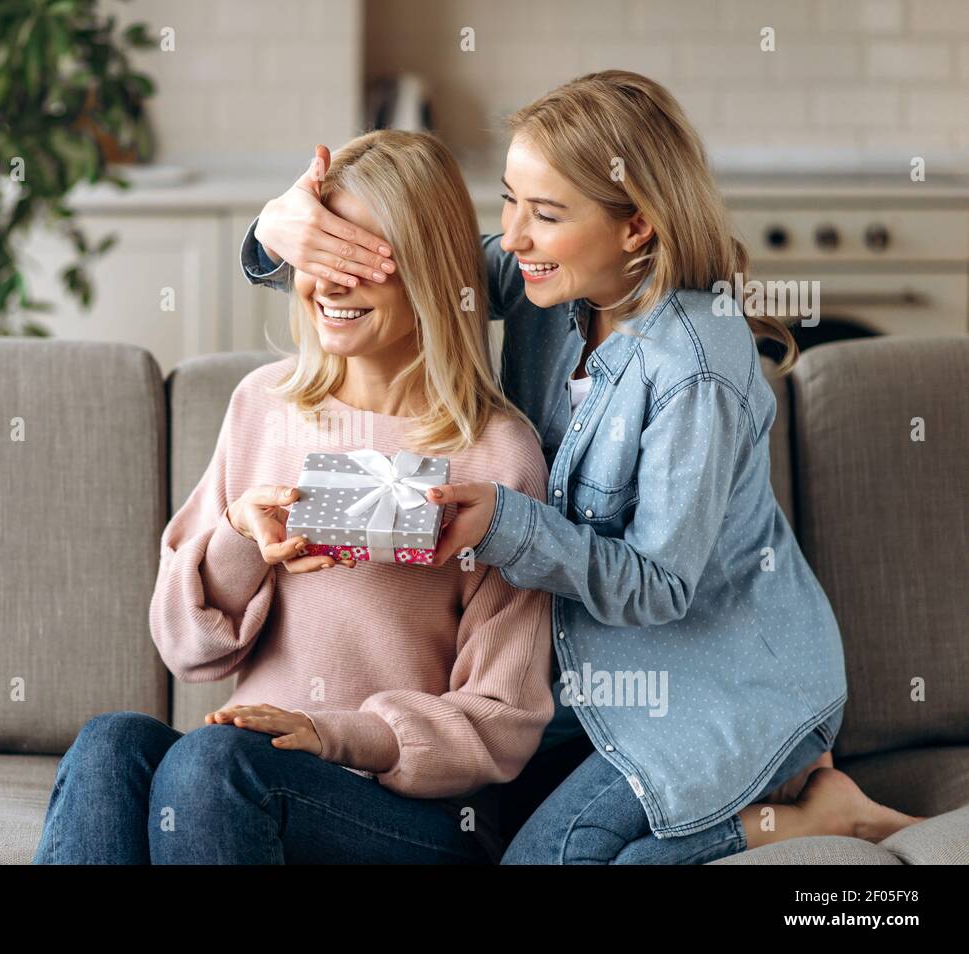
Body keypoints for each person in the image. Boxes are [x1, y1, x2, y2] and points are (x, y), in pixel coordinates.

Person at [238, 70, 922, 863]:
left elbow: (663, 586)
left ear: (635, 227)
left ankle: (816, 816)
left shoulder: (694, 366)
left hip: (714, 687)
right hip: (586, 688)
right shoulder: (547, 283)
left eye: (548, 214)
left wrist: (506, 523)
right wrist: (277, 230)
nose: (514, 236)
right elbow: (410, 264)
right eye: (510, 201)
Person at [34, 129, 557, 864]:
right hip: (252, 782)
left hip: (414, 817)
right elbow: (184, 647)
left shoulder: (498, 452)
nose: (331, 284)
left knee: (214, 763)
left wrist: (332, 735)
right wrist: (241, 541)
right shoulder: (262, 408)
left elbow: (501, 722)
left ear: (433, 275)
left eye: (363, 260)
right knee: (111, 742)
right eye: (319, 256)